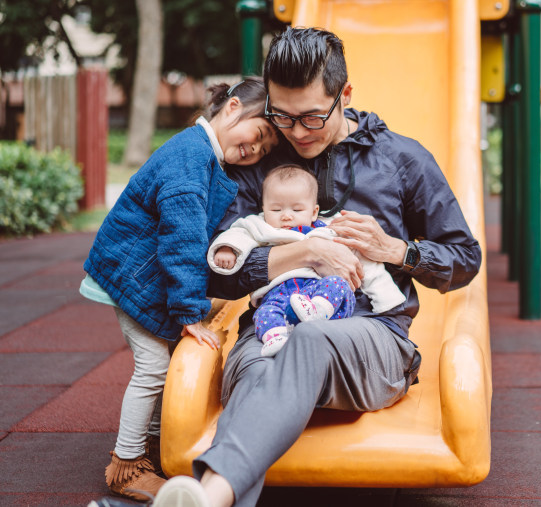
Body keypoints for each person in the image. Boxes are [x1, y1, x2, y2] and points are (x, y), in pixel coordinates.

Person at [150, 27, 481, 507]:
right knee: (267, 366)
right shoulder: (263, 160)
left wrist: (398, 251)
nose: (297, 132)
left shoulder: (402, 160)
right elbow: (216, 270)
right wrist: (304, 253)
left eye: (311, 117)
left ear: (344, 95)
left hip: (373, 337)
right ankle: (213, 498)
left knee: (311, 338)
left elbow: (465, 258)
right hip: (266, 330)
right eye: (281, 116)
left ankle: (208, 493)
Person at [79, 77, 278, 502]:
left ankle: (147, 449)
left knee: (164, 363)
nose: (255, 150)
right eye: (257, 135)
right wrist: (190, 312)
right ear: (232, 108)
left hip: (142, 273)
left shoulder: (204, 155)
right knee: (152, 367)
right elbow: (182, 238)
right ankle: (127, 466)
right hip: (129, 273)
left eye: (264, 149)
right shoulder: (190, 157)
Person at [210, 163, 406, 356]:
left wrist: (386, 299)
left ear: (314, 211)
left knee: (337, 284)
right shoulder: (259, 226)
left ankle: (318, 311)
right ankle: (276, 337)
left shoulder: (328, 230)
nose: (286, 216)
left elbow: (362, 263)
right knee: (264, 313)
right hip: (276, 294)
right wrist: (228, 249)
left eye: (296, 210)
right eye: (276, 210)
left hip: (318, 291)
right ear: (264, 208)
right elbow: (238, 233)